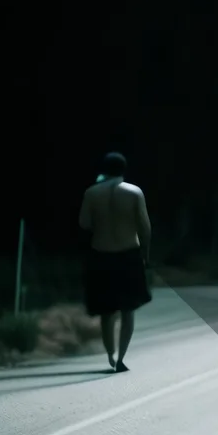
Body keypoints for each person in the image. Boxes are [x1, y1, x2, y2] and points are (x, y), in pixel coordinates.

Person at [79, 152, 153, 371]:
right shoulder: (134, 192)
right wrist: (146, 253)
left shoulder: (92, 193)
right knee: (128, 310)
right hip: (128, 253)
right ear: (124, 169)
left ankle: (109, 354)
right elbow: (145, 227)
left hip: (101, 254)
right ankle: (121, 358)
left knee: (106, 310)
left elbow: (84, 223)